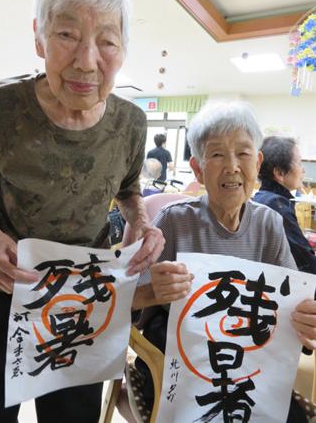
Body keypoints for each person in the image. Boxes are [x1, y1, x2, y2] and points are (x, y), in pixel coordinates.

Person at [0, 0, 164, 422]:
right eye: (66, 35)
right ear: (39, 38)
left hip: (83, 296)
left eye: (107, 41)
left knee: (72, 415)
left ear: (122, 50)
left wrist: (140, 221)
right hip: (1, 286)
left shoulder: (131, 124)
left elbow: (128, 189)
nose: (86, 61)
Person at [135, 101, 316, 422]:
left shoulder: (269, 223)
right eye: (217, 154)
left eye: (243, 153)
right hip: (182, 367)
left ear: (257, 162)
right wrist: (154, 294)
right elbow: (124, 303)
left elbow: (291, 306)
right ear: (197, 169)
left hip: (249, 367)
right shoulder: (173, 221)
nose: (232, 166)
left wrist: (304, 319)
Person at [253, 136, 316, 275]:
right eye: (299, 163)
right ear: (279, 173)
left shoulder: (262, 198)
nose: (303, 170)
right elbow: (307, 263)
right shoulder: (277, 206)